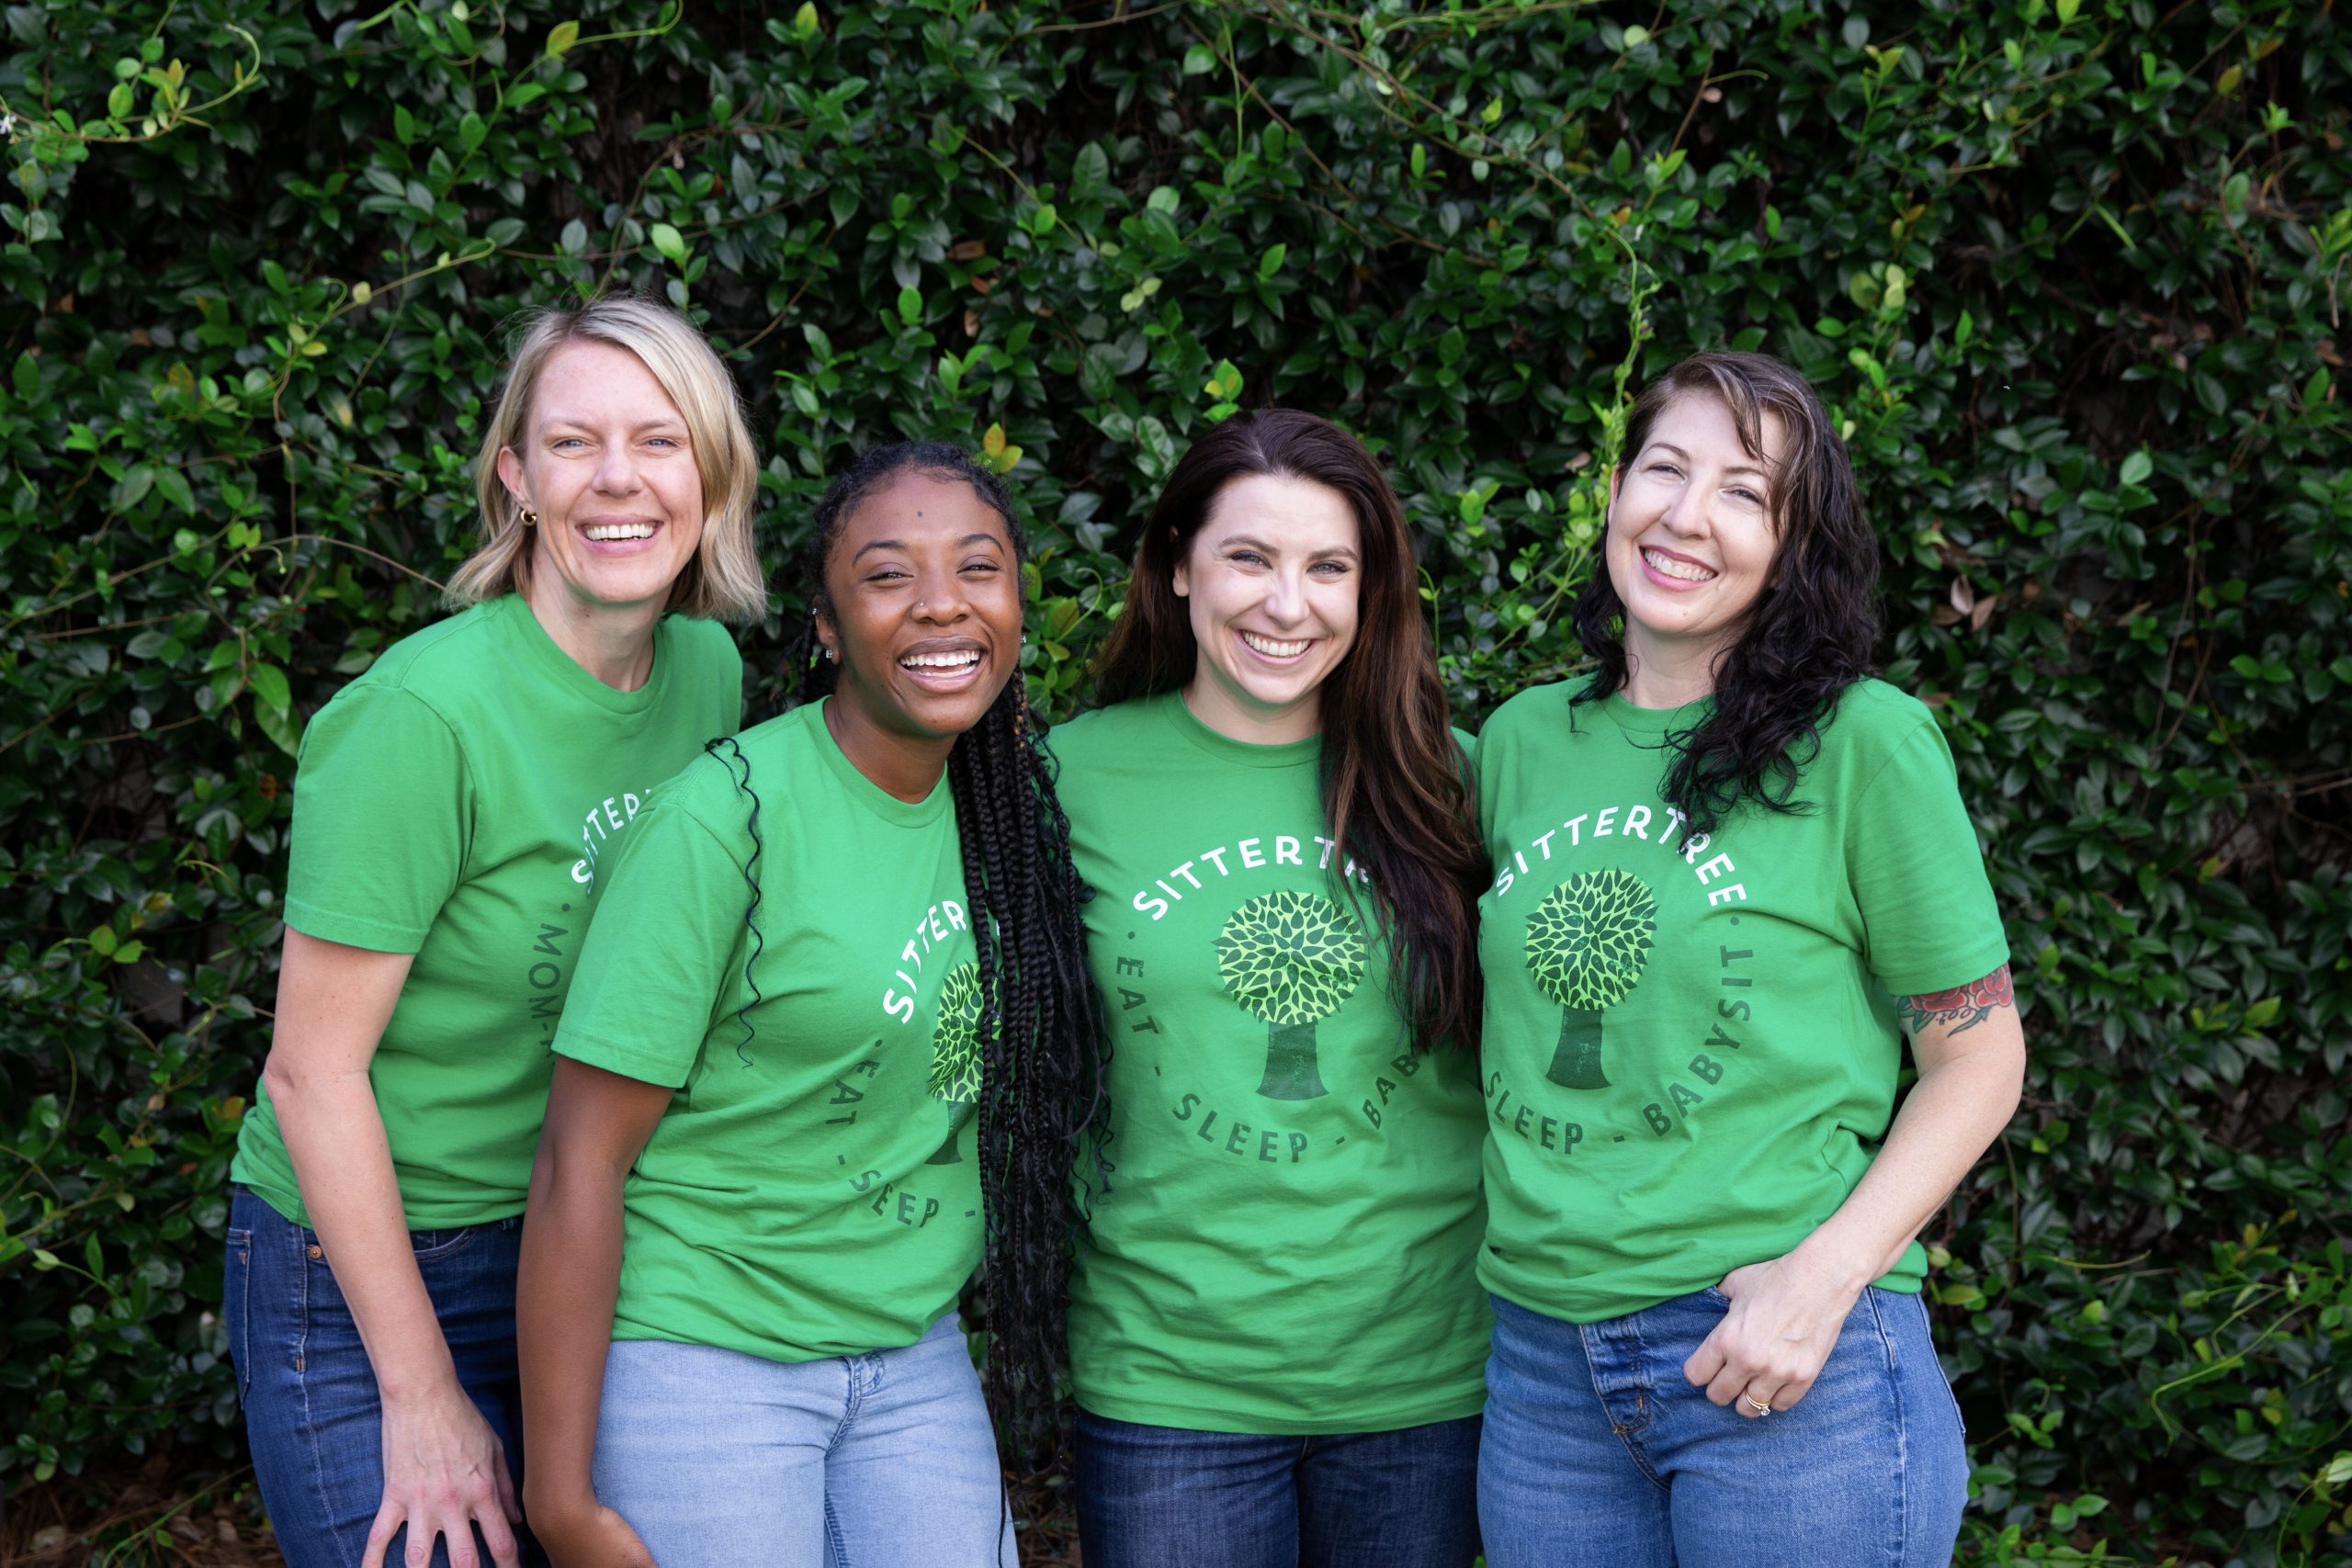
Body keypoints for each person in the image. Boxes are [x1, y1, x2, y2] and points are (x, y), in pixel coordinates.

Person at [224, 293, 764, 1568]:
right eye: (573, 443)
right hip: (369, 1259)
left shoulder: (709, 675)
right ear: (516, 475)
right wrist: (421, 1393)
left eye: (660, 439)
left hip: (589, 1240)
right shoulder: (420, 718)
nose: (618, 479)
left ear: (712, 473)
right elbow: (312, 1069)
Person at [1471, 351, 2026, 1565]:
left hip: (1782, 1365)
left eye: (1743, 491)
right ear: (1613, 492)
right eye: (1663, 469)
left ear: (1792, 543)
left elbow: (1978, 1054)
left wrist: (1818, 1281)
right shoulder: (1518, 740)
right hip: (1542, 1375)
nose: (1684, 514)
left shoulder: (1864, 743)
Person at [514, 442, 1102, 1568]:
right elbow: (576, 1162)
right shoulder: (723, 822)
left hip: (909, 1351)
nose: (942, 605)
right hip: (708, 1355)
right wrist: (561, 1496)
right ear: (826, 627)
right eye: (888, 576)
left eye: (978, 570)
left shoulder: (1006, 819)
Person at [1052, 409, 1491, 1568]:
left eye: (1328, 567)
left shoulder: (1445, 780)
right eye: (1249, 557)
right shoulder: (1069, 777)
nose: (1285, 604)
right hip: (1169, 1386)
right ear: (1179, 567)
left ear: (1372, 590)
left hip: (1422, 1384)